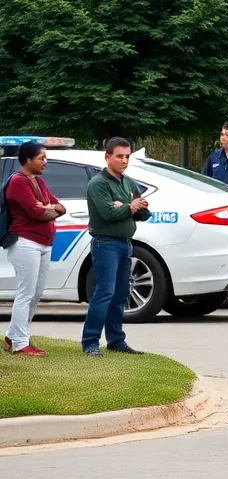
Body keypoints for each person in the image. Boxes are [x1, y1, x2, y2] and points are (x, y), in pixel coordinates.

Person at [80, 137, 149, 357]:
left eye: (127, 156)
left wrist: (130, 207)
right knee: (104, 293)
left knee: (120, 294)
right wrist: (130, 207)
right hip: (106, 244)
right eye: (119, 156)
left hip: (125, 245)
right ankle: (90, 342)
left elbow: (144, 213)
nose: (124, 160)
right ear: (107, 156)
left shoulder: (129, 182)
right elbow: (108, 213)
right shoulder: (98, 183)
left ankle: (116, 340)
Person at [3, 141, 65, 356]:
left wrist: (50, 207)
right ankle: (20, 343)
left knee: (36, 294)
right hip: (25, 242)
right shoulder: (18, 182)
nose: (45, 162)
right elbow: (37, 213)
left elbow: (61, 207)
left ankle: (14, 334)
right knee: (26, 292)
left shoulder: (38, 181)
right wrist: (48, 209)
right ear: (28, 160)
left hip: (44, 243)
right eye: (41, 158)